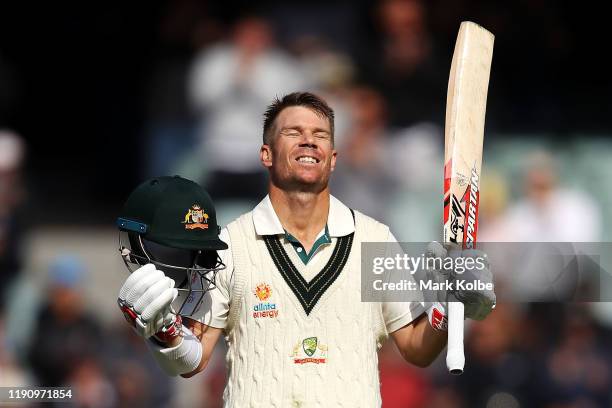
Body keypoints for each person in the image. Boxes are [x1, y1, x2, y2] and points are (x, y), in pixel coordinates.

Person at [117, 92, 495, 406]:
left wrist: (448, 308)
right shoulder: (230, 244)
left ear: (332, 158)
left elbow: (417, 348)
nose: (309, 140)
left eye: (320, 134)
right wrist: (164, 333)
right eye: (293, 132)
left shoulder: (374, 241)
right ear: (266, 154)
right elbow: (192, 359)